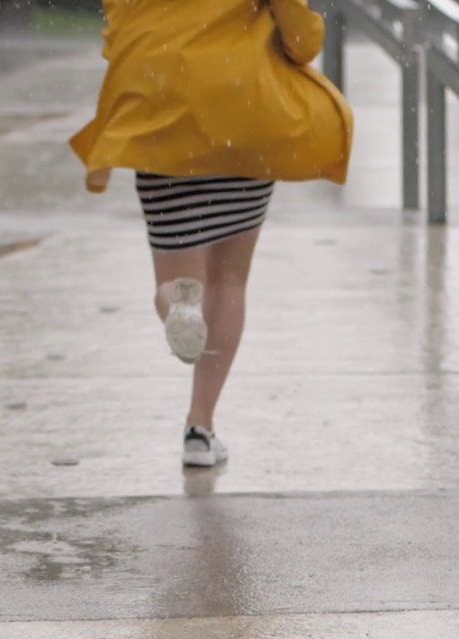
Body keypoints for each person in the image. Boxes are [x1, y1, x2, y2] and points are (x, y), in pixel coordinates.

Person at [70, 0, 353, 467]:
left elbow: (118, 27)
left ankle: (176, 304)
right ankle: (200, 429)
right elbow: (302, 41)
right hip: (244, 115)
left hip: (161, 116)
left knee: (180, 281)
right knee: (230, 281)